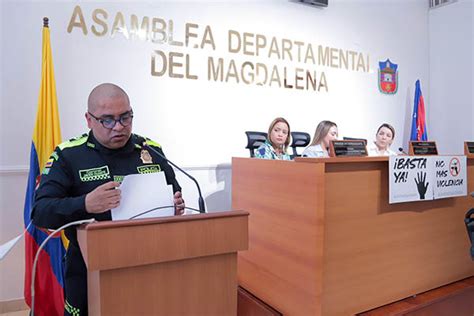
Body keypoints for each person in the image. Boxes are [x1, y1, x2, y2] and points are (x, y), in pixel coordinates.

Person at [31, 83, 185, 316]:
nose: (119, 127)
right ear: (89, 119)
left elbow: (174, 193)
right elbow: (40, 211)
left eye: (126, 117)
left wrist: (176, 205)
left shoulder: (149, 149)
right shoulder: (69, 154)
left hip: (148, 264)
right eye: (108, 120)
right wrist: (84, 204)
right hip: (87, 270)